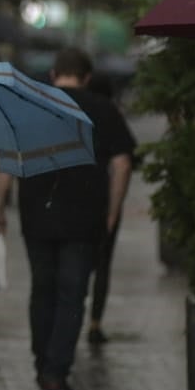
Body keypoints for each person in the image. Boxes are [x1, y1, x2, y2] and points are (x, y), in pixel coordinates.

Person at [17, 48, 135, 390]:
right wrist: (113, 210)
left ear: (54, 74)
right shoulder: (103, 108)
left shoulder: (35, 106)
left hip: (37, 211)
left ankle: (41, 360)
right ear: (86, 77)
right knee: (73, 293)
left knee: (42, 289)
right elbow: (123, 164)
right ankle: (56, 369)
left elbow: (7, 155)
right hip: (85, 216)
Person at [84, 72, 133, 346]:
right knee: (103, 266)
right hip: (105, 199)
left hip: (76, 200)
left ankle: (73, 315)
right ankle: (95, 323)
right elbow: (124, 162)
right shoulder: (112, 114)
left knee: (76, 264)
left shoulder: (77, 111)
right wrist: (114, 209)